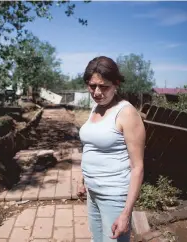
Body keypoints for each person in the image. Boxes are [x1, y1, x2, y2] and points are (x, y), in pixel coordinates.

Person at [77, 56, 146, 242]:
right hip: (93, 193)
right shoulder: (96, 108)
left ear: (116, 84)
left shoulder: (127, 113)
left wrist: (126, 213)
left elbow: (137, 167)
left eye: (104, 86)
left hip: (114, 197)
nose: (97, 92)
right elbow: (90, 146)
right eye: (92, 86)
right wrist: (83, 179)